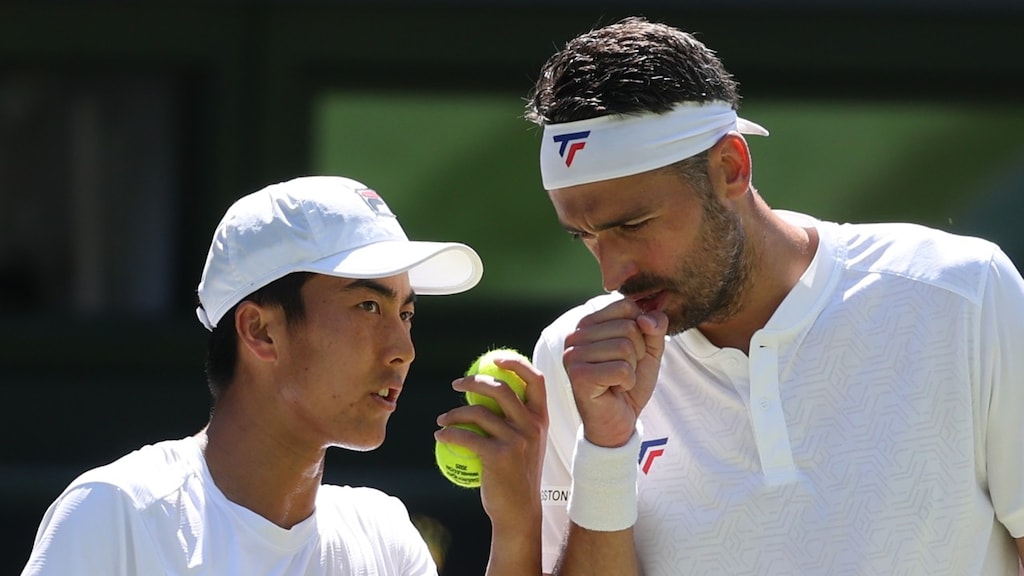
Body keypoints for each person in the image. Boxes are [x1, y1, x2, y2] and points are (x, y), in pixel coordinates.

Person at [524, 16, 1024, 576]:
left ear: (730, 168)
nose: (611, 274)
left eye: (634, 224)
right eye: (586, 237)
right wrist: (607, 448)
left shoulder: (963, 293)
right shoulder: (575, 359)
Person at [21, 175, 547, 575]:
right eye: (368, 306)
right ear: (260, 332)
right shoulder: (116, 513)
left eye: (406, 314)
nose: (403, 350)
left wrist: (518, 524)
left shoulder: (386, 538)